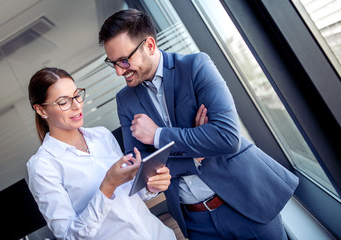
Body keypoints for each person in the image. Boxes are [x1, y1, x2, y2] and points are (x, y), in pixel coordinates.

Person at [98, 9, 299, 240]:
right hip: (195, 222)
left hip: (246, 203)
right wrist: (197, 146)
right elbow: (140, 167)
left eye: (124, 60)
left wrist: (158, 136)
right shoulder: (125, 100)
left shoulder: (196, 66)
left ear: (150, 45)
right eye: (112, 63)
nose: (118, 71)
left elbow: (226, 137)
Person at [26, 67, 177, 240]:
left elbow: (127, 200)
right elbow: (69, 236)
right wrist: (107, 186)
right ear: (41, 110)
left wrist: (150, 186)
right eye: (63, 102)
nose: (77, 105)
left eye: (76, 95)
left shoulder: (102, 135)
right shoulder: (42, 166)